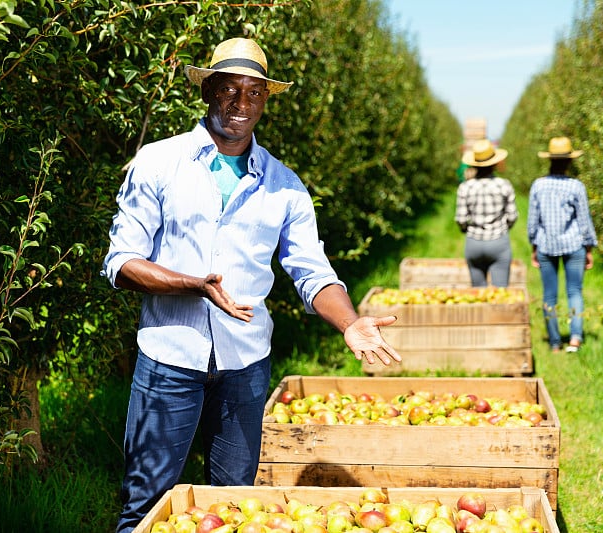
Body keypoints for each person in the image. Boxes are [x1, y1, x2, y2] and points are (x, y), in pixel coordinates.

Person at [101, 38, 402, 533]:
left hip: (245, 366)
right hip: (169, 356)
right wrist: (194, 284)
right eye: (229, 90)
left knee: (233, 506)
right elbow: (122, 262)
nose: (241, 105)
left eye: (254, 93)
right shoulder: (159, 163)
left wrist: (349, 323)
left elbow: (313, 270)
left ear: (265, 100)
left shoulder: (284, 185)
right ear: (208, 92)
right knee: (146, 505)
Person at [527, 136, 598, 353]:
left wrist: (533, 245)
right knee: (574, 291)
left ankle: (555, 342)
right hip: (573, 243)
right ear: (569, 162)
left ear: (549, 160)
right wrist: (588, 247)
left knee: (550, 295)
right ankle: (575, 339)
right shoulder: (576, 186)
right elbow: (583, 220)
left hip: (546, 245)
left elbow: (533, 221)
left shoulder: (538, 185)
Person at [454, 139, 519, 287]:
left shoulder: (465, 187)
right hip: (498, 241)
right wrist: (503, 228)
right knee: (500, 294)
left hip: (474, 243)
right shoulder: (504, 185)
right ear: (494, 163)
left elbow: (461, 219)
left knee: (478, 294)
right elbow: (512, 216)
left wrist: (466, 229)